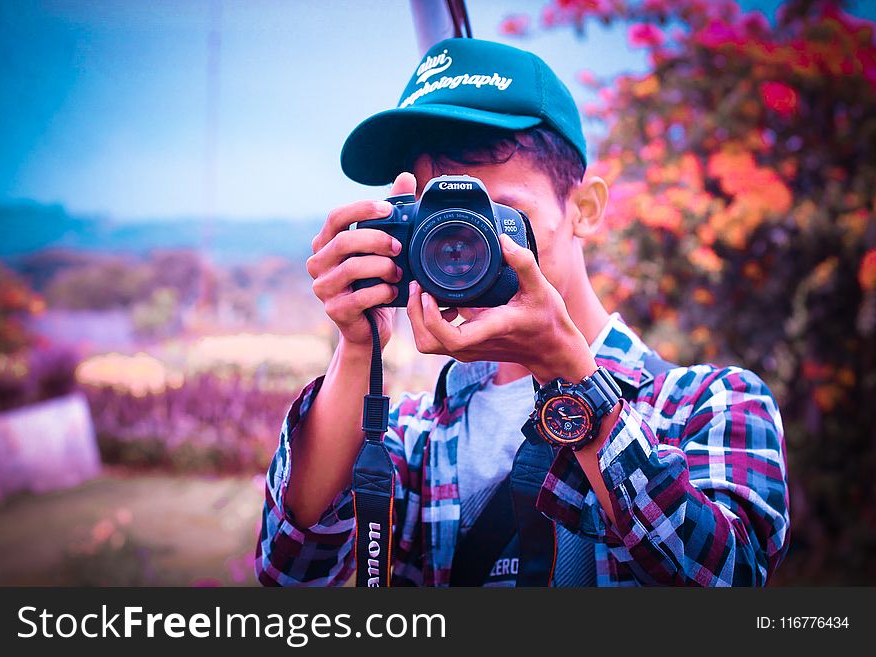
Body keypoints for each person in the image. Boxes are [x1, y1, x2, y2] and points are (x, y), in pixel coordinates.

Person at [255, 38, 789, 587]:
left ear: (584, 210)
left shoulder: (709, 403)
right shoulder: (413, 434)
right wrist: (358, 343)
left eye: (501, 215)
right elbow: (292, 576)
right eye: (440, 220)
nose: (466, 242)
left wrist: (570, 378)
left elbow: (733, 582)